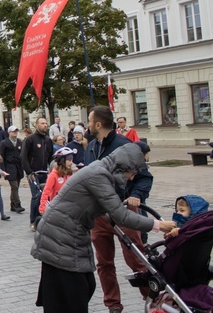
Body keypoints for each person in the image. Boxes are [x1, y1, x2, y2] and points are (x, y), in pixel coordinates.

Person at [31, 144, 176, 313]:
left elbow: (107, 206)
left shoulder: (102, 172)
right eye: (132, 173)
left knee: (83, 285)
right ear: (125, 167)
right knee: (72, 291)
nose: (131, 178)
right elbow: (121, 215)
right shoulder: (98, 175)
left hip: (70, 232)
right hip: (60, 234)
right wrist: (157, 225)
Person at [85, 105, 153, 313]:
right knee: (104, 264)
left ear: (98, 124)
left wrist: (136, 196)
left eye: (89, 121)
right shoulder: (91, 147)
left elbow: (144, 177)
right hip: (98, 215)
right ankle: (113, 305)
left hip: (122, 212)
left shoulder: (124, 145)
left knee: (137, 261)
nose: (87, 125)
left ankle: (152, 300)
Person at [21, 118, 53, 231]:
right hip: (33, 173)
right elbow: (23, 157)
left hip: (44, 173)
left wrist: (52, 169)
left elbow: (51, 157)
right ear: (36, 125)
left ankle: (42, 219)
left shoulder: (48, 140)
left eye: (46, 123)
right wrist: (29, 172)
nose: (45, 125)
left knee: (45, 196)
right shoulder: (30, 139)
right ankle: (33, 221)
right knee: (36, 196)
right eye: (42, 123)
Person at [39, 147, 76, 215]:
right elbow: (46, 191)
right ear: (62, 161)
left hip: (68, 206)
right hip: (56, 207)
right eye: (69, 160)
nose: (71, 163)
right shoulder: (53, 175)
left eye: (72, 160)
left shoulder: (69, 174)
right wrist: (42, 206)